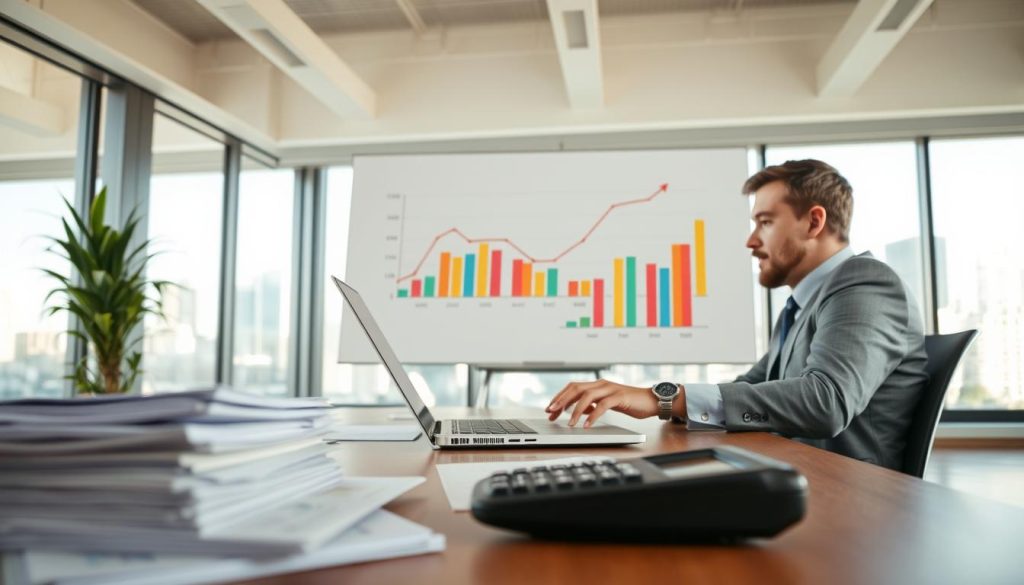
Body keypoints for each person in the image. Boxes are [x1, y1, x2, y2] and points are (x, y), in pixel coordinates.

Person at [545, 159, 928, 470]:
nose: (751, 240)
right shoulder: (804, 303)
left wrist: (661, 399)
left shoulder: (866, 283)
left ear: (814, 221)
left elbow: (825, 401)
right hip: (796, 474)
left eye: (765, 222)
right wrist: (656, 401)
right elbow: (751, 384)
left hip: (848, 498)